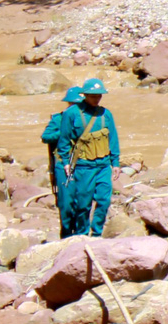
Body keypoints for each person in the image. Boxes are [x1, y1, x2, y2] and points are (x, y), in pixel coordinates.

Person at [58, 78, 120, 237]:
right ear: (85, 95)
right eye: (93, 95)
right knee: (83, 204)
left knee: (104, 200)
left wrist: (116, 163)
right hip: (83, 166)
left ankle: (97, 232)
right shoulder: (71, 114)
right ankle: (82, 234)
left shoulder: (106, 114)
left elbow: (113, 139)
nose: (97, 98)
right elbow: (64, 140)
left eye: (99, 95)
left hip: (103, 165)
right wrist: (66, 162)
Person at [40, 86, 84, 213]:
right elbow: (45, 137)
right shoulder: (59, 118)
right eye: (73, 104)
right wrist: (64, 132)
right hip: (63, 161)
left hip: (84, 161)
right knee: (66, 200)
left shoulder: (88, 119)